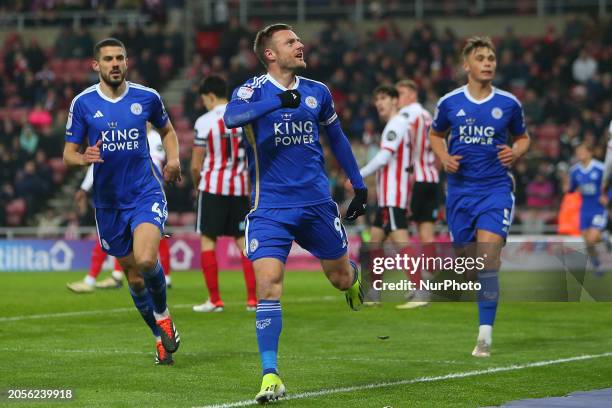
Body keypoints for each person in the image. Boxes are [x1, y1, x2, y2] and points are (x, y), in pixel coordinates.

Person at [223, 23, 367, 403]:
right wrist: (276, 103)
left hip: (317, 204)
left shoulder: (318, 92)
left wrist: (359, 183)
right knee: (267, 284)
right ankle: (270, 374)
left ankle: (353, 278)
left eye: (299, 39)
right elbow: (231, 119)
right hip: (269, 207)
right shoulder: (251, 91)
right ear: (270, 53)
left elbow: (336, 138)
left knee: (337, 278)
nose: (300, 44)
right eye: (291, 42)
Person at [63, 38, 181, 366]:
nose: (114, 64)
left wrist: (173, 161)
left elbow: (168, 131)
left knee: (145, 260)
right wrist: (83, 157)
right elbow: (67, 154)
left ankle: (164, 315)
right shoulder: (83, 103)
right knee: (133, 275)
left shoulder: (147, 97)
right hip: (108, 203)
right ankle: (159, 337)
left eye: (120, 58)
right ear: (95, 65)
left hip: (145, 193)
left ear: (126, 62)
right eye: (108, 59)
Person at [429, 36, 530, 358]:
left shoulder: (510, 103)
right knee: (469, 264)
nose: (488, 63)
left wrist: (515, 152)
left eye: (491, 58)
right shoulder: (450, 103)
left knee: (488, 258)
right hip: (459, 193)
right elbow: (435, 135)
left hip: (495, 190)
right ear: (467, 65)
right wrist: (443, 157)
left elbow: (523, 138)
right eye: (481, 58)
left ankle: (484, 335)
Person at [67, 123, 173, 293]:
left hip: (147, 193)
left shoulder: (153, 138)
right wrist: (85, 187)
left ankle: (162, 278)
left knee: (151, 235)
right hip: (126, 193)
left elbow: (152, 164)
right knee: (120, 236)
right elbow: (100, 163)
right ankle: (109, 276)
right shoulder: (122, 135)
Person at [190, 75, 257, 312]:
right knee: (244, 243)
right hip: (240, 187)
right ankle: (252, 300)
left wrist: (196, 184)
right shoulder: (242, 117)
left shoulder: (204, 122)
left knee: (208, 241)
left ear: (209, 96)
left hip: (212, 187)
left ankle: (215, 300)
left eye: (205, 100)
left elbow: (196, 165)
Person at [358, 85, 411, 306]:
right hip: (386, 197)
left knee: (401, 243)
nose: (379, 103)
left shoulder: (396, 124)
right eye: (376, 99)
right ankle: (375, 291)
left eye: (383, 98)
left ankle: (419, 288)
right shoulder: (394, 124)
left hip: (393, 195)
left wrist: (358, 175)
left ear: (395, 101)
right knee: (376, 242)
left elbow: (383, 157)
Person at [395, 79, 437, 310]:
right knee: (426, 234)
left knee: (399, 232)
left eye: (400, 94)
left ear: (412, 94)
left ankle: (419, 286)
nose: (397, 99)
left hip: (414, 181)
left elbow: (404, 149)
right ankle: (428, 282)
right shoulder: (428, 115)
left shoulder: (408, 116)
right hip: (432, 179)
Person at [570, 143, 606, 276]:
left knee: (591, 238)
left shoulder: (600, 168)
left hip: (598, 208)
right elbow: (572, 188)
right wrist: (569, 189)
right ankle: (598, 265)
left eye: (582, 151)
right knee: (587, 241)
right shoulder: (575, 171)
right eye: (578, 152)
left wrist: (606, 196)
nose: (580, 154)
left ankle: (603, 237)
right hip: (584, 209)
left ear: (590, 153)